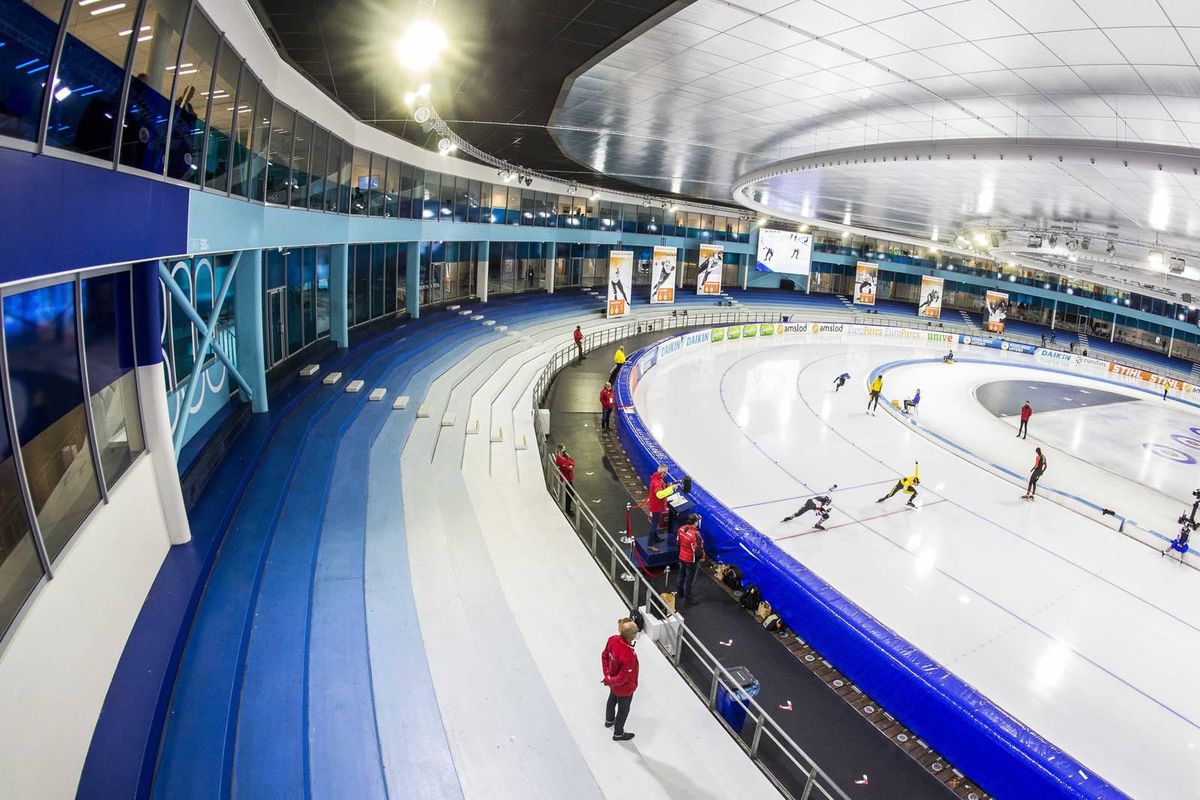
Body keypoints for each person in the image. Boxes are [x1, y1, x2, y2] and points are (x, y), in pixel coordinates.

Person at [601, 618, 640, 741]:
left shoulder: (612, 640)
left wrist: (608, 675)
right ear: (632, 636)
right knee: (623, 710)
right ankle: (618, 733)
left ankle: (609, 720)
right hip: (625, 688)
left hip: (613, 681)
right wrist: (609, 681)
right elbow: (624, 678)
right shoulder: (628, 655)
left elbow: (605, 656)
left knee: (612, 700)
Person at [675, 514, 705, 605]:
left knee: (681, 575)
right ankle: (688, 599)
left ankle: (679, 592)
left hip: (682, 556)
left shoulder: (681, 529)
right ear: (695, 522)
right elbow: (699, 550)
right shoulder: (695, 535)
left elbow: (678, 542)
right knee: (689, 580)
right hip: (691, 560)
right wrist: (700, 558)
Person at [646, 465, 676, 544]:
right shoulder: (657, 481)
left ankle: (655, 537)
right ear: (662, 473)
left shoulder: (659, 479)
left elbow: (661, 489)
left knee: (655, 523)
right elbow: (659, 494)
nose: (666, 475)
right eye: (666, 473)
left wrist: (667, 487)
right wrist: (671, 488)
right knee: (654, 524)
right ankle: (650, 543)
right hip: (656, 506)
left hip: (657, 505)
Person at [555, 444, 575, 512]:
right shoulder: (559, 459)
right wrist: (570, 467)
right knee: (570, 493)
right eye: (564, 448)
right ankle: (567, 509)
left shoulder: (565, 456)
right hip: (565, 478)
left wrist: (570, 466)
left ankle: (568, 508)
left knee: (570, 493)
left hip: (568, 477)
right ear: (560, 449)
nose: (565, 450)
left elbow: (572, 461)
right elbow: (566, 468)